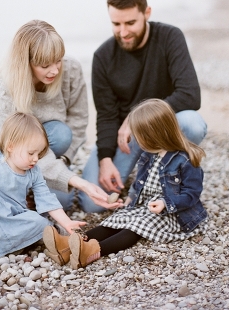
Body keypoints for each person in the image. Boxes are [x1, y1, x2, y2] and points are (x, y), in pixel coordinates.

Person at [81, 0, 207, 213]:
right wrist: (105, 159)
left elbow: (190, 95)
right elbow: (106, 116)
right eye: (116, 24)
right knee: (91, 205)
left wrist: (137, 117)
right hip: (126, 140)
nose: (123, 32)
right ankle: (136, 171)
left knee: (193, 123)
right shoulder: (102, 57)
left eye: (130, 22)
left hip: (162, 128)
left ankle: (168, 173)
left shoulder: (170, 38)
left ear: (146, 13)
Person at [44, 99, 208, 269]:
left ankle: (91, 250)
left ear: (156, 134)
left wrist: (165, 203)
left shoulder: (186, 159)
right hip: (145, 206)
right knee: (116, 220)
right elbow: (140, 182)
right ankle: (69, 245)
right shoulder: (149, 154)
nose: (137, 141)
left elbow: (191, 195)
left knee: (136, 227)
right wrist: (131, 199)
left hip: (172, 214)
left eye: (140, 137)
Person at [0, 20, 120, 211]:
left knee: (64, 200)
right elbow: (19, 144)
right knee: (25, 187)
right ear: (26, 63)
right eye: (45, 65)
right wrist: (79, 182)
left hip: (50, 137)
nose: (54, 70)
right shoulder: (2, 87)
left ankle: (36, 176)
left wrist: (62, 164)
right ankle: (8, 174)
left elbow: (78, 121)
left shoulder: (71, 69)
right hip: (4, 140)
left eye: (58, 60)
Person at [0, 113, 86, 260]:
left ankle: (31, 242)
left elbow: (46, 198)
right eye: (31, 153)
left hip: (17, 217)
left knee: (41, 222)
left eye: (39, 154)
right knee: (39, 224)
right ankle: (15, 245)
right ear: (11, 147)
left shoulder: (33, 171)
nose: (35, 159)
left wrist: (66, 222)